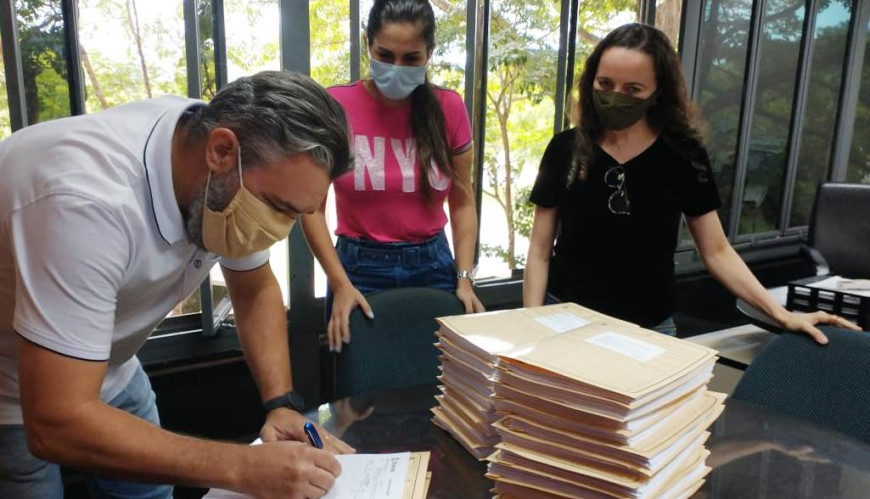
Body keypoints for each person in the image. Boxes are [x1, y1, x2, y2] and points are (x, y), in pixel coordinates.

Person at [0, 71, 356, 499]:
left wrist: (280, 404)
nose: (281, 229)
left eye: (297, 213)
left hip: (113, 364)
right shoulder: (85, 201)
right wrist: (240, 467)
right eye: (278, 207)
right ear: (221, 152)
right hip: (11, 385)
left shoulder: (219, 158)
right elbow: (56, 421)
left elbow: (253, 290)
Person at [523, 23, 859, 343]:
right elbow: (539, 251)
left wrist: (781, 314)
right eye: (605, 84)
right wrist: (530, 323)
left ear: (657, 93)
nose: (615, 97)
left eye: (633, 90)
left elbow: (715, 250)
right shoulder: (565, 149)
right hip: (564, 319)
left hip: (647, 329)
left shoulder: (682, 155)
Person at [300, 0, 484, 354]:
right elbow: (310, 210)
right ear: (368, 44)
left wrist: (464, 279)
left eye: (411, 58)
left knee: (436, 383)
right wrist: (339, 284)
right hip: (359, 269)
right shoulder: (336, 106)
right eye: (385, 54)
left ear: (429, 53)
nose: (396, 68)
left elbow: (462, 202)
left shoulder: (449, 107)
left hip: (435, 266)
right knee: (364, 392)